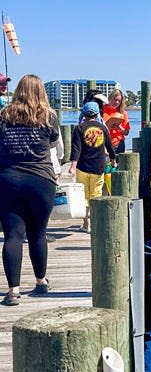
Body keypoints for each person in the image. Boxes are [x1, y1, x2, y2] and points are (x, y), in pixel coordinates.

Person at [0, 75, 60, 305]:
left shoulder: (4, 115)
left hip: (9, 180)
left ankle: (13, 291)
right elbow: (54, 143)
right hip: (41, 181)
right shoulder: (49, 116)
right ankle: (40, 282)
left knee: (13, 235)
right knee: (38, 233)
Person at [68, 101, 117, 232]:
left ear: (84, 113)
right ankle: (95, 223)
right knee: (95, 195)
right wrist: (113, 159)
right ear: (97, 114)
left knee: (83, 195)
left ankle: (86, 224)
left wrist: (73, 165)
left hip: (82, 167)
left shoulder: (79, 128)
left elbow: (76, 149)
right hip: (98, 166)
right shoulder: (102, 128)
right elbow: (110, 146)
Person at [102, 89, 131, 154]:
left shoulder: (123, 113)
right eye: (115, 100)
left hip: (118, 143)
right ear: (110, 98)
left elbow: (126, 132)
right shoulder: (101, 109)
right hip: (104, 143)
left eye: (119, 101)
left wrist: (119, 128)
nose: (117, 102)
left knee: (119, 163)